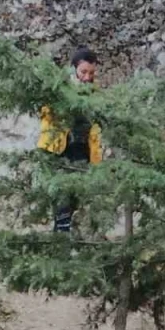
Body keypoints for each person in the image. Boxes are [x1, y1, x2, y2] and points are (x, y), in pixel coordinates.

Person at [37, 46, 103, 233]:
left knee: (76, 197)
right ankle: (61, 235)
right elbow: (46, 114)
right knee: (61, 197)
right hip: (59, 150)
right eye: (83, 72)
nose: (87, 77)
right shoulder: (60, 89)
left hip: (83, 152)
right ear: (74, 69)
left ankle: (66, 235)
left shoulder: (95, 94)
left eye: (91, 72)